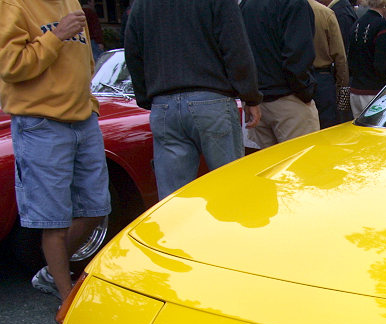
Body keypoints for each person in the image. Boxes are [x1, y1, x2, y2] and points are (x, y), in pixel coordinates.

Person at [0, 1, 110, 301]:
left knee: (97, 208)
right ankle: (66, 297)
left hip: (83, 120)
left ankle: (51, 274)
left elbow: (84, 61)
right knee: (53, 221)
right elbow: (10, 66)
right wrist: (56, 35)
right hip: (40, 123)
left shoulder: (70, 2)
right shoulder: (13, 5)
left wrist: (90, 104)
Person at [125, 0, 262, 199]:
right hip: (212, 98)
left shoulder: (142, 4)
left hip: (164, 101)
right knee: (230, 190)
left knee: (173, 198)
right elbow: (235, 47)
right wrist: (250, 96)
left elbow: (132, 52)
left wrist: (147, 96)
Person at [240, 0, 319, 150]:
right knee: (303, 161)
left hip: (258, 100)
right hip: (288, 99)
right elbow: (297, 57)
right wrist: (305, 92)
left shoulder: (247, 4)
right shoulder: (294, 4)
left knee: (270, 163)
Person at [348, 0, 386, 116]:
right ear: (384, 4)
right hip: (374, 93)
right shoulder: (382, 26)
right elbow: (383, 65)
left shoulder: (357, 23)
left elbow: (354, 57)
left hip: (355, 92)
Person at [308, 0, 349, 130]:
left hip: (294, 77)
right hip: (323, 78)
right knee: (328, 128)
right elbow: (340, 55)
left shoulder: (285, 12)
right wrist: (342, 85)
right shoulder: (325, 13)